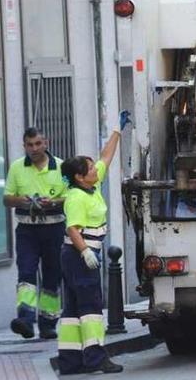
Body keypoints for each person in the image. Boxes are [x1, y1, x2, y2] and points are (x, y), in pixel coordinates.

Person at [57, 115, 127, 375]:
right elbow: (72, 228)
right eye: (91, 168)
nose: (97, 170)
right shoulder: (76, 197)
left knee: (74, 310)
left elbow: (105, 156)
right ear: (79, 177)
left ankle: (71, 361)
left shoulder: (91, 185)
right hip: (79, 255)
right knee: (91, 308)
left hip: (79, 256)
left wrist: (117, 131)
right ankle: (97, 358)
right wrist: (85, 252)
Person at [5, 128, 67, 340]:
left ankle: (48, 323)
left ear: (46, 143)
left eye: (38, 144)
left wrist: (53, 202)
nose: (34, 149)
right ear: (24, 146)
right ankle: (25, 319)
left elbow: (70, 197)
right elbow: (7, 198)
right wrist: (22, 200)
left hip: (54, 228)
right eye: (30, 145)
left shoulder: (60, 167)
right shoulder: (16, 167)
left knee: (52, 276)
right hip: (27, 230)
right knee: (27, 273)